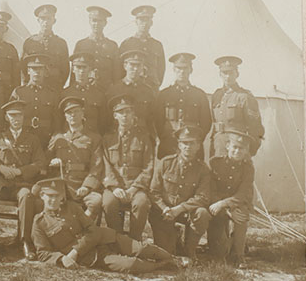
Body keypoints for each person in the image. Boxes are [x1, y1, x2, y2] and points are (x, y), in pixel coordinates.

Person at [31, 178, 179, 273]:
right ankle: (164, 265)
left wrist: (74, 252)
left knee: (141, 248)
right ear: (41, 196)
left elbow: (93, 230)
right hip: (94, 256)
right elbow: (43, 253)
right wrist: (61, 260)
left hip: (107, 238)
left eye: (56, 196)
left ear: (62, 196)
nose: (53, 200)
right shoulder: (39, 223)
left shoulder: (73, 207)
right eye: (49, 196)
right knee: (131, 265)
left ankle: (174, 259)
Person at [0, 99, 46, 258]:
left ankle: (25, 241)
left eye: (19, 116)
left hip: (21, 183)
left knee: (26, 196)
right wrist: (0, 167)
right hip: (0, 183)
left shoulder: (33, 139)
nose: (16, 119)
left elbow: (40, 162)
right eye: (12, 116)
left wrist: (20, 172)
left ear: (24, 118)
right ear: (6, 118)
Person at [149, 126, 210, 262]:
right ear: (179, 145)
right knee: (166, 255)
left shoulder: (203, 169)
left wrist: (179, 209)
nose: (188, 147)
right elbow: (153, 192)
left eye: (192, 143)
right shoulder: (165, 163)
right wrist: (165, 208)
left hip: (185, 212)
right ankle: (174, 236)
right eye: (185, 143)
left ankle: (190, 249)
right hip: (164, 212)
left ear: (198, 146)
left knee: (202, 213)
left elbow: (202, 197)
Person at [101, 94, 155, 240]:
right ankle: (116, 239)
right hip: (115, 187)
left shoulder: (143, 137)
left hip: (135, 187)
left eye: (128, 112)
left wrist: (134, 188)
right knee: (108, 202)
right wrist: (114, 187)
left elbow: (149, 166)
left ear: (133, 114)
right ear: (115, 116)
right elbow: (105, 165)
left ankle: (135, 240)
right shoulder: (107, 139)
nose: (125, 116)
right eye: (121, 112)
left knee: (141, 203)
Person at [44, 96, 104, 220]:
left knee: (96, 201)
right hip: (62, 185)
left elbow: (96, 167)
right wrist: (52, 162)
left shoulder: (94, 138)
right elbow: (44, 161)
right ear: (65, 117)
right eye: (69, 113)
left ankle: (83, 229)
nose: (73, 115)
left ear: (83, 113)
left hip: (82, 185)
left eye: (76, 111)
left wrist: (87, 186)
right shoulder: (57, 137)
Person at [207, 130, 255, 266]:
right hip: (215, 204)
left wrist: (225, 204)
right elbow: (211, 189)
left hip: (235, 204)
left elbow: (242, 194)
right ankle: (222, 248)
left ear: (246, 151)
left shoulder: (248, 168)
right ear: (227, 146)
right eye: (235, 147)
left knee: (241, 217)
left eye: (242, 148)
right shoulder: (215, 163)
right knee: (220, 253)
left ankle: (238, 255)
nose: (237, 151)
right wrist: (219, 204)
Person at [153, 52, 211, 156]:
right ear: (174, 70)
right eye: (178, 68)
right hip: (169, 143)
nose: (182, 72)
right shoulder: (164, 94)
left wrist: (195, 141)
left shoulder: (199, 94)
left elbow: (206, 123)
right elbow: (158, 121)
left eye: (185, 68)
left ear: (190, 70)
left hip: (192, 145)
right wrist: (165, 137)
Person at [210, 55, 264, 156]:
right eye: (224, 73)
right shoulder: (216, 95)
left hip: (237, 149)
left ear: (237, 74)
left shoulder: (244, 97)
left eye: (231, 73)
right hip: (218, 147)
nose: (228, 76)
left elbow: (256, 128)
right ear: (220, 74)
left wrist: (248, 152)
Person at [10, 53, 59, 146]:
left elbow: (57, 122)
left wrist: (54, 140)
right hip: (23, 139)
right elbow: (10, 118)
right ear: (28, 71)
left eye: (40, 69)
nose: (37, 72)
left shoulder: (52, 94)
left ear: (45, 72)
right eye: (34, 69)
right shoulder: (19, 92)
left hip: (46, 139)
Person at [105, 49, 155, 133]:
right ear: (125, 66)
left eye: (138, 65)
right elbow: (107, 118)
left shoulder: (148, 91)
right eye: (132, 65)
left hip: (142, 136)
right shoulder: (114, 90)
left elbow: (151, 119)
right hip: (119, 135)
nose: (135, 68)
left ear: (142, 67)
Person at [20, 4, 69, 90]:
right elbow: (23, 67)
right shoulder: (30, 42)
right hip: (34, 87)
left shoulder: (61, 43)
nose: (46, 22)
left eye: (48, 18)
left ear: (54, 21)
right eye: (43, 18)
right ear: (38, 20)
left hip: (54, 87)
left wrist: (59, 86)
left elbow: (65, 69)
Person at [73, 6, 121, 91]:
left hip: (106, 91)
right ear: (89, 22)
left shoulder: (112, 46)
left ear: (105, 23)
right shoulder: (81, 44)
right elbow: (74, 73)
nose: (96, 24)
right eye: (94, 20)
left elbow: (116, 74)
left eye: (100, 21)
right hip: (86, 91)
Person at [60, 49, 107, 135]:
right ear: (73, 69)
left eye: (84, 67)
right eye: (78, 67)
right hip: (71, 140)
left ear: (90, 69)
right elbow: (60, 122)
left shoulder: (99, 94)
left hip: (93, 140)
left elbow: (103, 123)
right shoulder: (65, 94)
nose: (81, 71)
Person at [119, 5, 166, 90]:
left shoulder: (157, 45)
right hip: (131, 88)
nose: (144, 23)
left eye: (147, 20)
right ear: (136, 22)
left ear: (151, 23)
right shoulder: (127, 43)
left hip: (152, 88)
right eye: (141, 20)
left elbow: (161, 70)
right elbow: (120, 69)